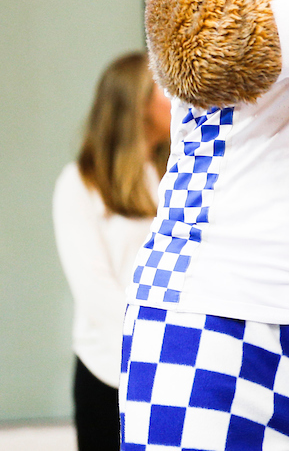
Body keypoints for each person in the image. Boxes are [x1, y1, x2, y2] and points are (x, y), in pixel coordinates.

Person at [52, 51, 171, 451]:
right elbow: (96, 292)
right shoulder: (79, 184)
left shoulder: (170, 177)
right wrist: (160, 341)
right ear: (137, 103)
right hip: (108, 375)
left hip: (166, 369)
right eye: (163, 88)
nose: (177, 97)